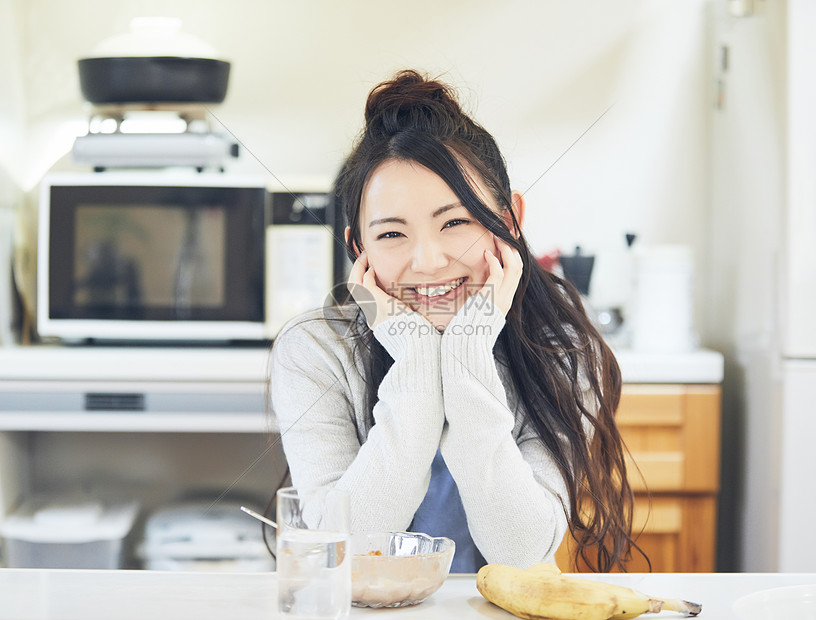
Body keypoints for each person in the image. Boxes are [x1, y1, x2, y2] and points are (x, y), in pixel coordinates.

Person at [269, 69, 640, 573]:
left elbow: (521, 551)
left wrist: (466, 352)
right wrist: (418, 362)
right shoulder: (315, 350)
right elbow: (344, 552)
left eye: (455, 222)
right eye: (392, 235)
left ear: (507, 223)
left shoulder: (565, 351)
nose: (427, 261)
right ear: (360, 250)